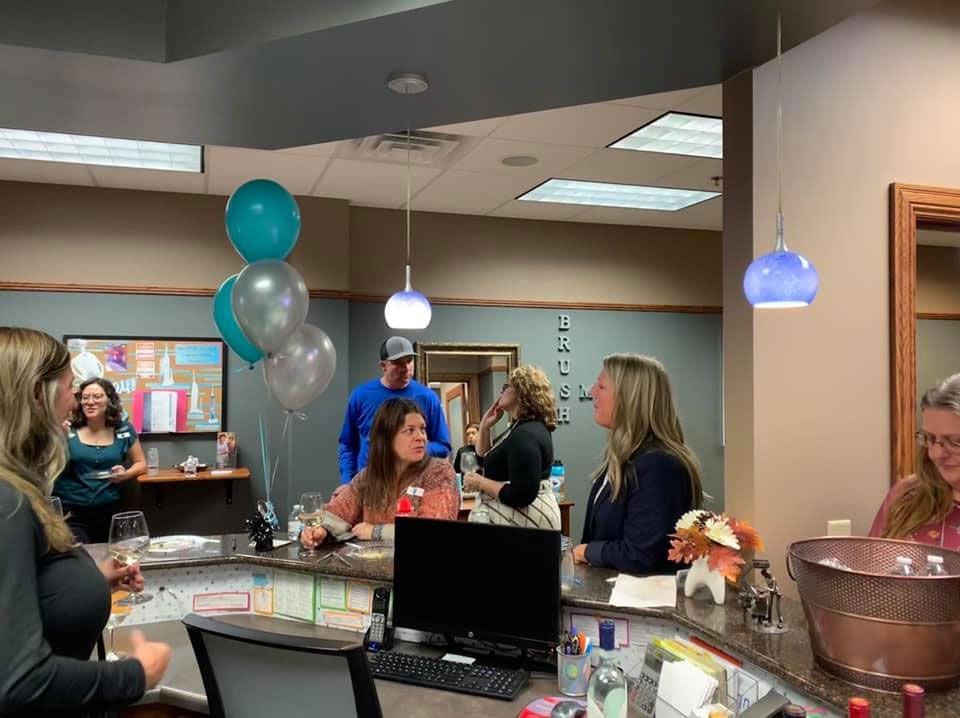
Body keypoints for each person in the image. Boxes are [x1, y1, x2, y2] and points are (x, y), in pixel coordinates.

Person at [0, 327, 170, 715]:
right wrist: (137, 674)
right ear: (36, 396)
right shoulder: (7, 502)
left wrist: (91, 580)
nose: (74, 404)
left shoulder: (17, 489)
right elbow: (20, 682)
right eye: (70, 390)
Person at [574, 353, 704, 574]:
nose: (591, 392)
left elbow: (641, 555)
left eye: (601, 386)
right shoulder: (624, 458)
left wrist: (588, 551)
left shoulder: (659, 466)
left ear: (629, 398)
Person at [303, 398, 458, 546]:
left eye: (422, 429)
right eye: (410, 430)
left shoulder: (439, 472)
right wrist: (320, 530)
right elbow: (337, 512)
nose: (421, 437)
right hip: (370, 563)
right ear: (387, 438)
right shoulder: (368, 476)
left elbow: (434, 531)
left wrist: (375, 531)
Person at [337, 336, 451, 485]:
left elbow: (443, 446)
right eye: (398, 363)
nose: (406, 368)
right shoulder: (360, 396)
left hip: (414, 485)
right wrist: (347, 482)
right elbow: (347, 444)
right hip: (370, 484)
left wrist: (410, 447)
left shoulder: (428, 397)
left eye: (409, 361)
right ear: (383, 366)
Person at [463, 366, 561, 530]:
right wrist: (485, 426)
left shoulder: (525, 435)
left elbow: (522, 494)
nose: (501, 391)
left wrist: (481, 483)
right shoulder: (520, 427)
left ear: (521, 392)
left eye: (506, 386)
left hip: (525, 524)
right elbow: (483, 459)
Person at [870, 374, 960, 548]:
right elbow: (871, 560)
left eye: (956, 442)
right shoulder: (907, 494)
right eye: (930, 438)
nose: (936, 454)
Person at [53, 377, 147, 544]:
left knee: (110, 554)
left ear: (109, 400)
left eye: (97, 397)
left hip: (110, 510)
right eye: (85, 397)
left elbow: (141, 464)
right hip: (72, 512)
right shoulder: (66, 428)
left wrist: (125, 474)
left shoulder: (123, 429)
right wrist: (56, 437)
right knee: (81, 555)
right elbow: (46, 465)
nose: (90, 402)